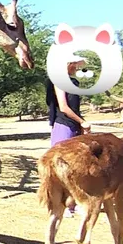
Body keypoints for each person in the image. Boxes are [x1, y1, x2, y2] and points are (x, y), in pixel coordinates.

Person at [45, 59, 90, 215]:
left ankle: (73, 203)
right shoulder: (59, 82)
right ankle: (61, 205)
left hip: (74, 126)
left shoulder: (74, 82)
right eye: (75, 64)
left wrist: (80, 124)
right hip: (63, 126)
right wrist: (82, 121)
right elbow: (63, 108)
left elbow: (74, 108)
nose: (77, 67)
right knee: (61, 167)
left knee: (75, 167)